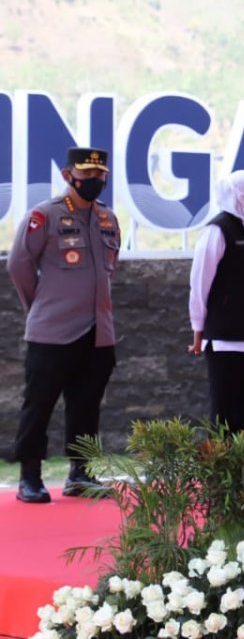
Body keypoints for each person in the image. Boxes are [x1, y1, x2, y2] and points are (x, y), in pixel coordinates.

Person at [8, 147, 121, 503]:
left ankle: (81, 474)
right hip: (52, 333)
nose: (94, 181)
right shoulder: (45, 216)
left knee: (86, 406)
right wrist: (40, 306)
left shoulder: (108, 219)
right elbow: (19, 265)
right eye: (86, 175)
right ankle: (30, 477)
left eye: (99, 175)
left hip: (98, 333)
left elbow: (110, 268)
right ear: (67, 175)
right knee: (39, 405)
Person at [187, 170, 244, 434]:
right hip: (226, 336)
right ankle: (221, 469)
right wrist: (198, 329)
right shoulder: (217, 231)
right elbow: (199, 284)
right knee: (225, 410)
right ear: (241, 196)